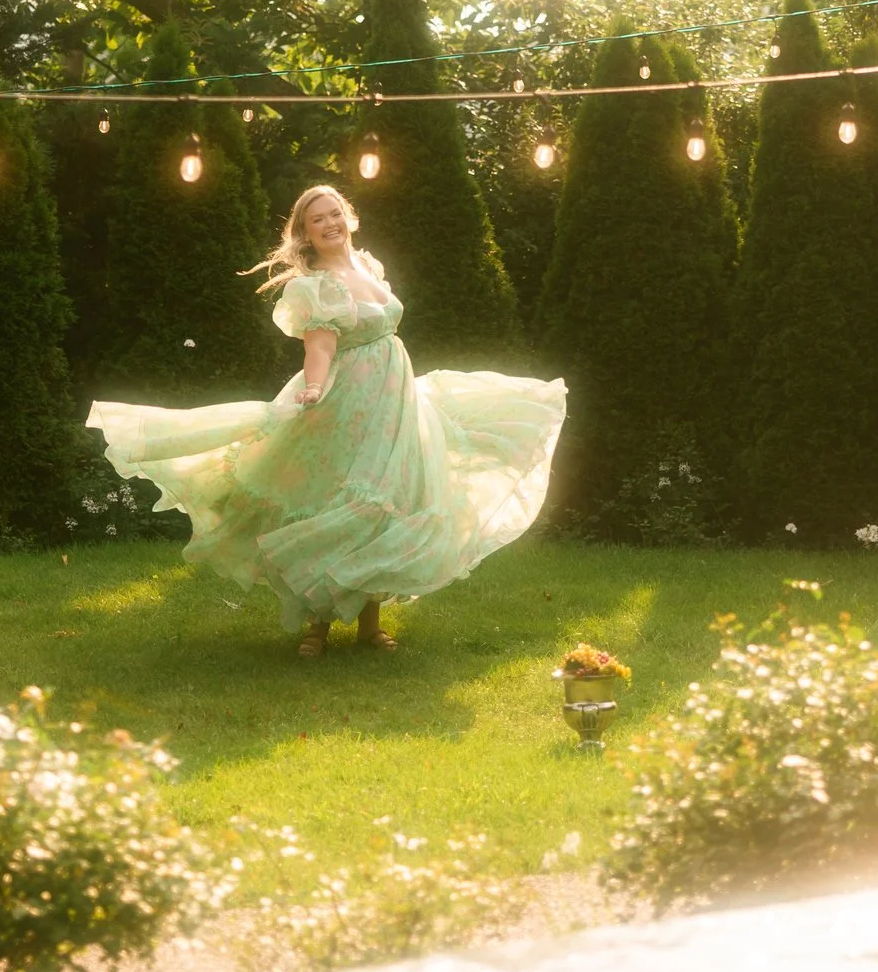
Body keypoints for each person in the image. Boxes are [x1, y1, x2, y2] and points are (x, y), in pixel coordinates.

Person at [87, 184, 566, 657]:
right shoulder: (316, 287)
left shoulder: (369, 266)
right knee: (331, 501)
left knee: (388, 499)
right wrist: (314, 387)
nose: (330, 223)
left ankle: (370, 626)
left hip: (394, 399)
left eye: (335, 213)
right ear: (305, 234)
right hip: (347, 399)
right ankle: (316, 626)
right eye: (318, 219)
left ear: (349, 217)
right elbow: (319, 344)